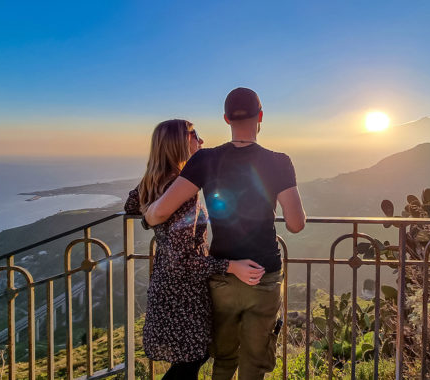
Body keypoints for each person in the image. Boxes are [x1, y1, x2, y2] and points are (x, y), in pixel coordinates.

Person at [145, 88, 306, 380]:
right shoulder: (279, 161)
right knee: (255, 363)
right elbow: (295, 224)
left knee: (224, 358)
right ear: (261, 117)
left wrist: (147, 212)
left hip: (223, 277)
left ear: (226, 119)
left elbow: (160, 211)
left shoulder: (205, 159)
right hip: (263, 274)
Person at [124, 119, 266, 380]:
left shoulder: (157, 182)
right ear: (178, 143)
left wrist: (150, 216)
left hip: (167, 285)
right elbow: (184, 261)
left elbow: (131, 204)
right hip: (183, 293)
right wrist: (230, 266)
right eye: (194, 135)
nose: (201, 141)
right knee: (192, 360)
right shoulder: (182, 192)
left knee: (189, 360)